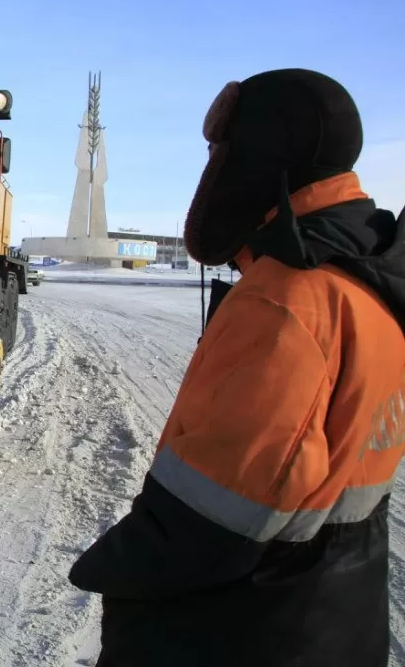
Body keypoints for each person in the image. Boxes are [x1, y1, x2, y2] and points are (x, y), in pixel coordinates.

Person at [67, 68, 405, 666]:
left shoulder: (287, 302)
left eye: (222, 150)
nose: (213, 167)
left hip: (244, 632)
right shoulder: (369, 279)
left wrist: (111, 571)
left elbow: (211, 522)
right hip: (338, 617)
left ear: (260, 153)